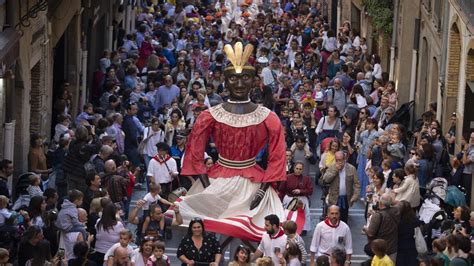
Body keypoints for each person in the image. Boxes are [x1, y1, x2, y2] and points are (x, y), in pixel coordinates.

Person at [178, 42, 288, 239]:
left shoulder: (267, 117)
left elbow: (278, 156)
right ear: (226, 81)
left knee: (252, 235)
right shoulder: (209, 115)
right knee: (211, 235)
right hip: (216, 182)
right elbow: (194, 151)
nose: (239, 84)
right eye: (233, 79)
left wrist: (263, 190)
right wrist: (206, 185)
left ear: (254, 81)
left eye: (245, 78)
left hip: (253, 184)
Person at [320, 151, 360, 223]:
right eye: (337, 160)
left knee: (344, 220)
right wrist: (336, 170)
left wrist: (355, 196)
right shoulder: (332, 167)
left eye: (340, 160)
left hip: (346, 198)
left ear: (345, 159)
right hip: (334, 198)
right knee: (333, 220)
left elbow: (357, 184)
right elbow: (326, 179)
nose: (339, 162)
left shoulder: (351, 168)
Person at [363, 194, 400, 263]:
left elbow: (371, 233)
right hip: (392, 248)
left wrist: (365, 229)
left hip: (379, 249)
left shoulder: (377, 216)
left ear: (380, 203)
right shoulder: (396, 211)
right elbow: (400, 204)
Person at [279, 162, 313, 233]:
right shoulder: (287, 177)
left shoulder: (306, 179)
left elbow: (310, 191)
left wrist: (300, 191)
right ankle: (287, 228)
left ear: (302, 170)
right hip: (289, 198)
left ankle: (303, 229)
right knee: (288, 214)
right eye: (297, 168)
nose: (298, 170)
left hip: (302, 199)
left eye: (300, 169)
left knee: (303, 215)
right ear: (294, 168)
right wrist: (280, 200)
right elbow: (281, 189)